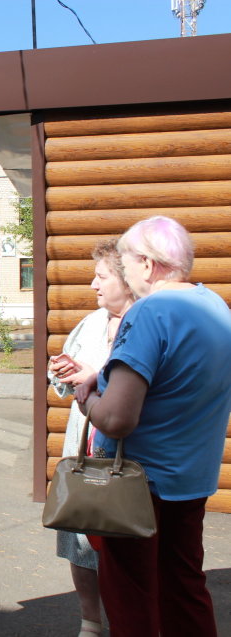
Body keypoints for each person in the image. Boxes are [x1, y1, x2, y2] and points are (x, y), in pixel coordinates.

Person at [74, 216, 231, 637]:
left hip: (137, 486)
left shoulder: (149, 312)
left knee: (130, 598)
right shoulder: (215, 306)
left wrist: (88, 397)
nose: (125, 275)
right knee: (183, 587)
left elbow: (117, 419)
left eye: (125, 266)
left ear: (147, 263)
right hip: (191, 480)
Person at [47, 239, 134, 637]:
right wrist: (63, 371)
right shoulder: (92, 322)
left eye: (101, 277)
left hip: (125, 456)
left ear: (125, 278)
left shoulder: (144, 324)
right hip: (82, 450)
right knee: (79, 539)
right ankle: (90, 622)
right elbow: (65, 384)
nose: (94, 286)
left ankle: (126, 622)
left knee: (123, 545)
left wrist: (93, 375)